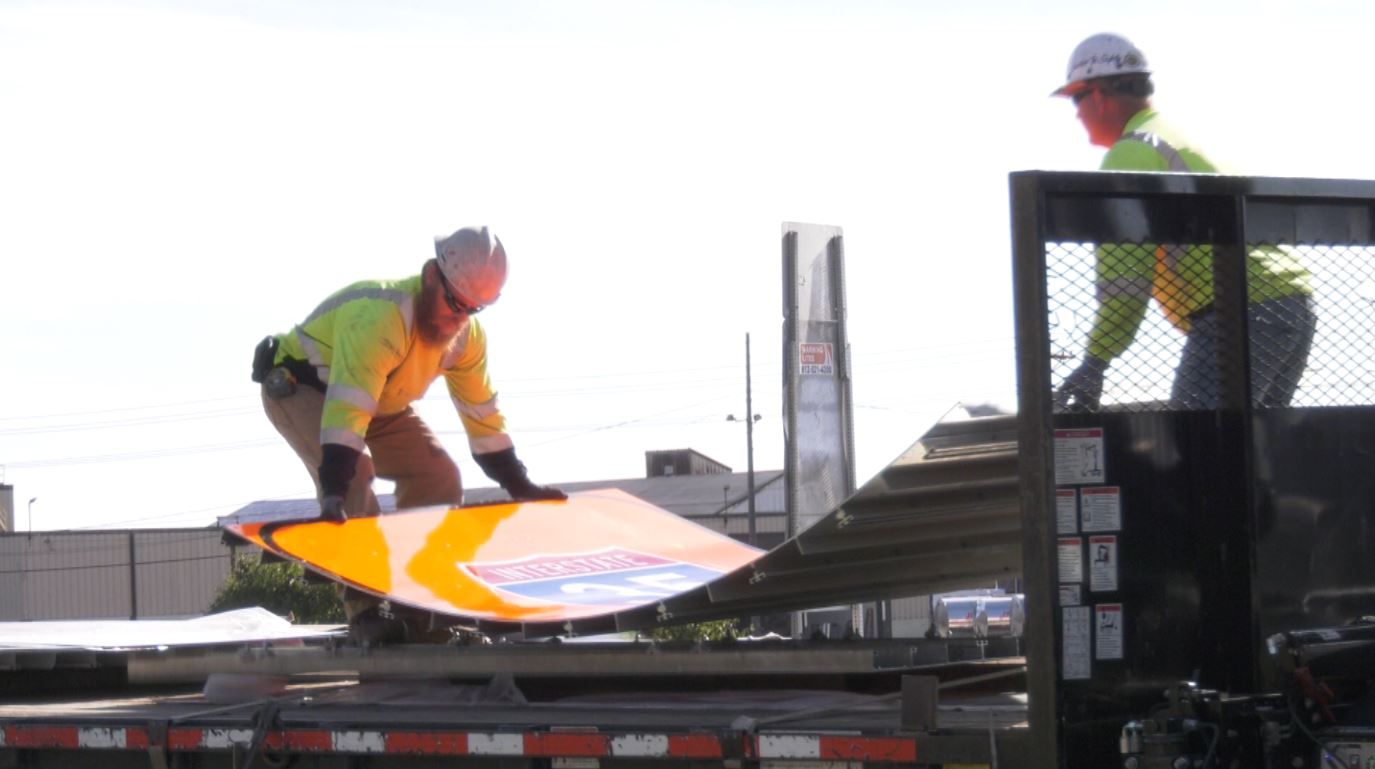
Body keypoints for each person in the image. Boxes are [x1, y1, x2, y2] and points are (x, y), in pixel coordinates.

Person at [251, 225, 565, 642]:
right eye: (455, 303)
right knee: (355, 474)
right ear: (432, 277)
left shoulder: (465, 337)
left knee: (439, 477)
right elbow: (348, 412)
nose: (459, 318)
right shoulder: (381, 319)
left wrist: (519, 483)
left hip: (376, 399)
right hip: (302, 387)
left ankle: (420, 608)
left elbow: (482, 412)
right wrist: (332, 493)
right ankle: (365, 613)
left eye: (473, 309)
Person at [1051, 33, 1315, 411]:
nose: (1076, 113)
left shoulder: (1133, 152)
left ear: (1098, 96)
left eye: (1076, 98)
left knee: (1198, 448)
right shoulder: (1177, 138)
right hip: (1290, 305)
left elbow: (1125, 278)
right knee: (1249, 456)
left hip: (1238, 311)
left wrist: (1097, 360)